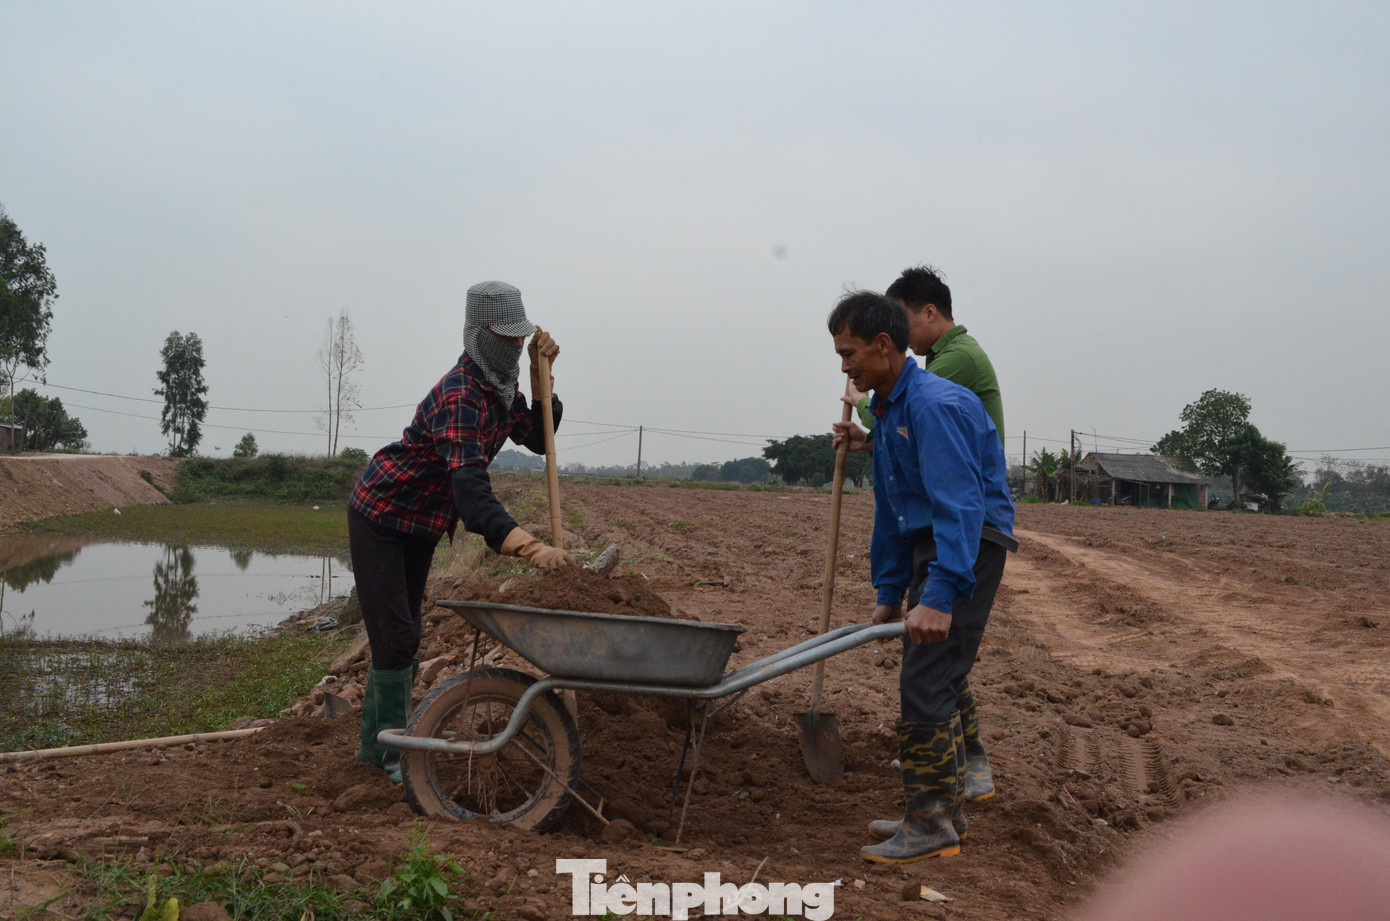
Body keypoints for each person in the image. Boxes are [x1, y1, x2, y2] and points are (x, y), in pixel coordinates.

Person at [348, 280, 577, 784]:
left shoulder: (501, 389)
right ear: (480, 334)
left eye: (521, 336)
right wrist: (530, 547)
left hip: (422, 525)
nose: (516, 343)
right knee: (396, 636)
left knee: (404, 635)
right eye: (506, 335)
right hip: (382, 515)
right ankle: (388, 755)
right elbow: (471, 494)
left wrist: (544, 379)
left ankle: (378, 746)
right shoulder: (460, 395)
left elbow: (539, 439)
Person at [828, 291, 1015, 864]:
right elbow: (893, 510)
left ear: (884, 345)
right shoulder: (891, 412)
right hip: (933, 543)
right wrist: (889, 592)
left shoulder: (933, 405)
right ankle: (944, 815)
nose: (845, 368)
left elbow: (960, 505)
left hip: (968, 544)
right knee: (932, 674)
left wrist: (940, 593)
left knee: (927, 679)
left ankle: (931, 823)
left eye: (850, 353)